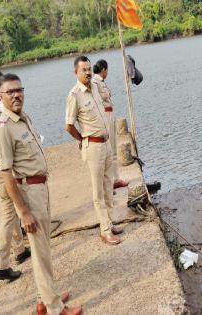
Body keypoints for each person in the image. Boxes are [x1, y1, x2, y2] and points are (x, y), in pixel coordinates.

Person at [0, 74, 82, 315]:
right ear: (1, 96)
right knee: (40, 251)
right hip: (28, 192)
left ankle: (46, 297)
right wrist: (23, 211)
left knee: (43, 247)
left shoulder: (24, 118)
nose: (16, 95)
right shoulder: (3, 127)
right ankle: (55, 308)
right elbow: (6, 173)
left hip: (40, 187)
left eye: (19, 90)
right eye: (10, 92)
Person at [65, 56, 123, 245]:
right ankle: (104, 230)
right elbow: (69, 125)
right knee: (98, 191)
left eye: (89, 69)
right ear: (76, 72)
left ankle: (110, 222)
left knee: (108, 186)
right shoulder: (74, 95)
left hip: (105, 144)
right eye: (84, 70)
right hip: (93, 147)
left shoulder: (96, 88)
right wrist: (82, 138)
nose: (88, 72)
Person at [0, 71, 30, 282]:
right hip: (1, 174)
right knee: (9, 216)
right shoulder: (0, 119)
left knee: (11, 212)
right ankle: (2, 265)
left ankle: (19, 250)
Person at [92, 59, 129, 189]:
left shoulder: (99, 82)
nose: (107, 72)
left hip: (109, 114)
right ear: (103, 69)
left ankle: (114, 179)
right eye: (107, 70)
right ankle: (114, 180)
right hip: (105, 116)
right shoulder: (95, 82)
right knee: (110, 148)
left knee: (112, 148)